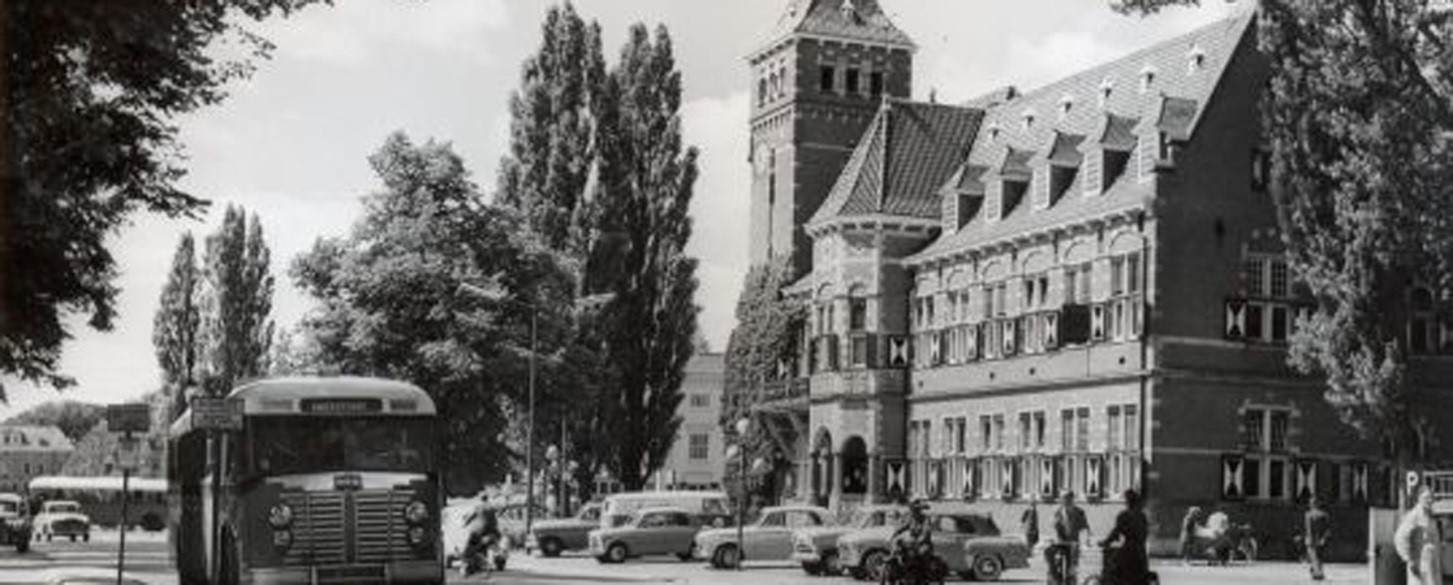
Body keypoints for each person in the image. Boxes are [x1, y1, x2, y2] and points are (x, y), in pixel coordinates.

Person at [1099, 489, 1151, 585]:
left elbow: (1116, 533)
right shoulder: (1142, 516)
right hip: (1141, 552)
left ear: (1127, 502)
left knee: (1111, 566)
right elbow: (1145, 532)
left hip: (1129, 550)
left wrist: (1105, 542)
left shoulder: (1124, 516)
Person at [1396, 486, 1444, 585]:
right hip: (1419, 562)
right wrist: (1408, 559)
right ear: (1419, 498)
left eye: (1431, 498)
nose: (1429, 500)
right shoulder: (1414, 516)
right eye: (1426, 498)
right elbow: (1400, 537)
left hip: (1432, 562)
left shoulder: (1430, 516)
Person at [1052, 490, 1091, 582]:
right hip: (1060, 543)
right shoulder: (1058, 511)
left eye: (1065, 498)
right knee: (1058, 565)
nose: (1062, 501)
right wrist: (1055, 524)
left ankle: (1071, 581)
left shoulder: (1079, 512)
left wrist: (1086, 540)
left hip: (1073, 543)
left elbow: (1084, 527)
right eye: (1061, 498)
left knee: (1072, 569)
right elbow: (1054, 526)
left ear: (1071, 499)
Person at [891, 498, 935, 574]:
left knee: (922, 553)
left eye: (915, 509)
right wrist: (896, 533)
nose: (912, 511)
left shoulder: (925, 519)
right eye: (911, 509)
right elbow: (903, 526)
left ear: (919, 510)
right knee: (900, 549)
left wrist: (921, 539)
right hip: (912, 541)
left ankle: (924, 574)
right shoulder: (911, 518)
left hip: (924, 543)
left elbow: (926, 531)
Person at [461, 499, 501, 573]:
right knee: (494, 542)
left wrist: (464, 524)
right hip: (492, 530)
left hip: (480, 530)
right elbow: (499, 511)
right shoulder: (491, 507)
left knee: (475, 543)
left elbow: (471, 517)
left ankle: (478, 561)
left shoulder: (478, 507)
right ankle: (491, 559)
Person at [1303, 496, 1331, 580]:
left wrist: (1308, 539)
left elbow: (1308, 528)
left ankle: (1316, 573)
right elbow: (1328, 529)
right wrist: (1324, 539)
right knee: (1319, 557)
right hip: (1320, 539)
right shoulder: (1325, 514)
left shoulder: (1308, 515)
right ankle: (1318, 572)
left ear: (1311, 504)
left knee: (1313, 556)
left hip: (1312, 539)